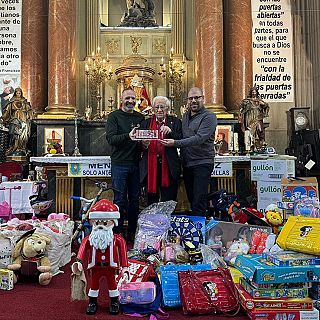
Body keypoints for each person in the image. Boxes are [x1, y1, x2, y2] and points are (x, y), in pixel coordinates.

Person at [161, 87, 217, 216]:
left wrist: (174, 143)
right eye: (191, 98)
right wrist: (171, 133)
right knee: (191, 199)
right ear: (187, 100)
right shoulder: (186, 116)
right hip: (187, 163)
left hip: (202, 163)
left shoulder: (209, 117)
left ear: (203, 98)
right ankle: (195, 231)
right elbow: (183, 136)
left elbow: (199, 139)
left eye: (197, 97)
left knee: (199, 200)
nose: (194, 101)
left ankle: (200, 233)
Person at [71, 199, 129, 315]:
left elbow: (123, 254)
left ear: (113, 222)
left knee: (112, 285)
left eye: (105, 223)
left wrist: (125, 268)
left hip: (110, 268)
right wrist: (78, 262)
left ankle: (114, 302)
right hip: (95, 267)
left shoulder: (118, 240)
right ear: (93, 223)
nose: (101, 226)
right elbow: (82, 250)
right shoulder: (89, 239)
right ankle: (92, 302)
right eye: (97, 223)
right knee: (94, 285)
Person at [106, 88, 144, 241]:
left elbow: (142, 140)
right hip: (119, 164)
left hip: (136, 164)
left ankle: (133, 232)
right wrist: (128, 136)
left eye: (133, 98)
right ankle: (118, 232)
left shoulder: (140, 117)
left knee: (135, 199)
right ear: (121, 99)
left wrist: (145, 143)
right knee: (120, 199)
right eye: (128, 98)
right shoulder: (113, 117)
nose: (131, 101)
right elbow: (111, 139)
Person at [139, 96, 182, 205]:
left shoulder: (175, 122)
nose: (159, 110)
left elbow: (182, 139)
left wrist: (171, 132)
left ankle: (166, 221)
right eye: (156, 107)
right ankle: (151, 221)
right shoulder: (145, 123)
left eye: (162, 107)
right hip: (150, 168)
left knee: (169, 200)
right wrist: (143, 144)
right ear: (152, 109)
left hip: (169, 167)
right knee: (151, 201)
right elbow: (138, 144)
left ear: (167, 108)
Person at [1, 87, 34, 157]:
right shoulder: (12, 102)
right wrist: (3, 118)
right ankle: (13, 147)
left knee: (22, 135)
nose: (18, 94)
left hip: (23, 120)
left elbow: (30, 111)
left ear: (21, 93)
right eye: (17, 93)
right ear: (15, 93)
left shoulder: (24, 102)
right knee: (13, 134)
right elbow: (7, 111)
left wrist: (30, 114)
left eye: (19, 93)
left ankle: (22, 148)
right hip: (14, 119)